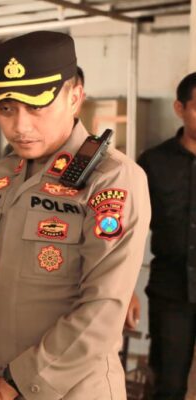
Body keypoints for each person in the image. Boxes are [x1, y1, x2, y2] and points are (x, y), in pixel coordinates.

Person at [0, 31, 151, 400]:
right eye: (6, 109)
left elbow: (103, 307)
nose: (20, 126)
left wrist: (17, 382)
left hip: (71, 389)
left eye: (37, 107)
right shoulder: (4, 173)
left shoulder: (111, 178)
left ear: (75, 97)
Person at [137, 71, 196, 399]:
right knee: (168, 386)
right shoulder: (152, 163)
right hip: (171, 293)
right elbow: (127, 232)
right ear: (180, 108)